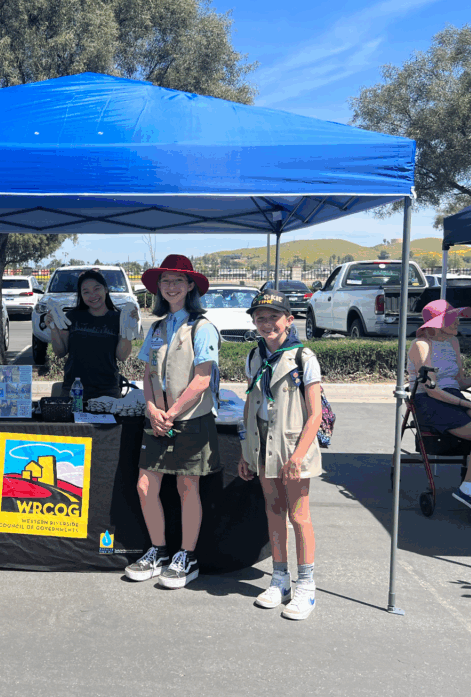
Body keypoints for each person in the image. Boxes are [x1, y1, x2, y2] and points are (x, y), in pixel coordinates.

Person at [125, 254, 219, 589]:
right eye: (166, 281)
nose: (171, 286)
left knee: (186, 487)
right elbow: (148, 373)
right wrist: (152, 408)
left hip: (190, 419)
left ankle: (187, 557)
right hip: (158, 419)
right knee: (145, 486)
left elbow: (202, 379)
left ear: (191, 285)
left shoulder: (203, 327)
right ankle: (158, 551)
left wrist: (172, 412)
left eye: (179, 280)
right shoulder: (158, 327)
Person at [237, 292, 323, 621]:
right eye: (260, 317)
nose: (267, 323)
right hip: (263, 449)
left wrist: (298, 456)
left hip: (292, 448)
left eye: (274, 316)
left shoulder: (303, 357)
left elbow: (314, 414)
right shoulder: (254, 356)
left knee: (299, 516)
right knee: (273, 512)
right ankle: (279, 578)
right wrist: (246, 452)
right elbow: (250, 406)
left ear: (289, 319)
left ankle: (306, 585)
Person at [407, 299, 471, 528]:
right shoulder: (420, 345)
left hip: (454, 396)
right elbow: (433, 390)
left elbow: (460, 382)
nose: (458, 321)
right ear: (436, 323)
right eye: (452, 318)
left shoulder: (452, 342)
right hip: (430, 401)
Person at [44, 269, 135, 399]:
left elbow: (122, 356)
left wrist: (129, 326)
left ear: (106, 289)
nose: (92, 295)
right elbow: (60, 352)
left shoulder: (119, 319)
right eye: (86, 292)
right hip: (74, 390)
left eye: (97, 289)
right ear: (81, 295)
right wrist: (52, 328)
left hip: (108, 390)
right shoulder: (72, 317)